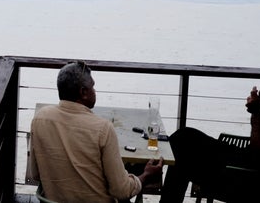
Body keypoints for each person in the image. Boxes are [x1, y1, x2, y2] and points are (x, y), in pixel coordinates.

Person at [159, 63, 260, 203]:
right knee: (184, 137)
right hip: (242, 162)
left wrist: (257, 114)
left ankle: (152, 180)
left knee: (183, 155)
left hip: (247, 178)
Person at [28, 60, 163, 203]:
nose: (94, 91)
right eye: (93, 87)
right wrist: (145, 175)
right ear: (83, 92)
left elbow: (36, 174)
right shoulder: (103, 128)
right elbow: (121, 191)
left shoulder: (40, 119)